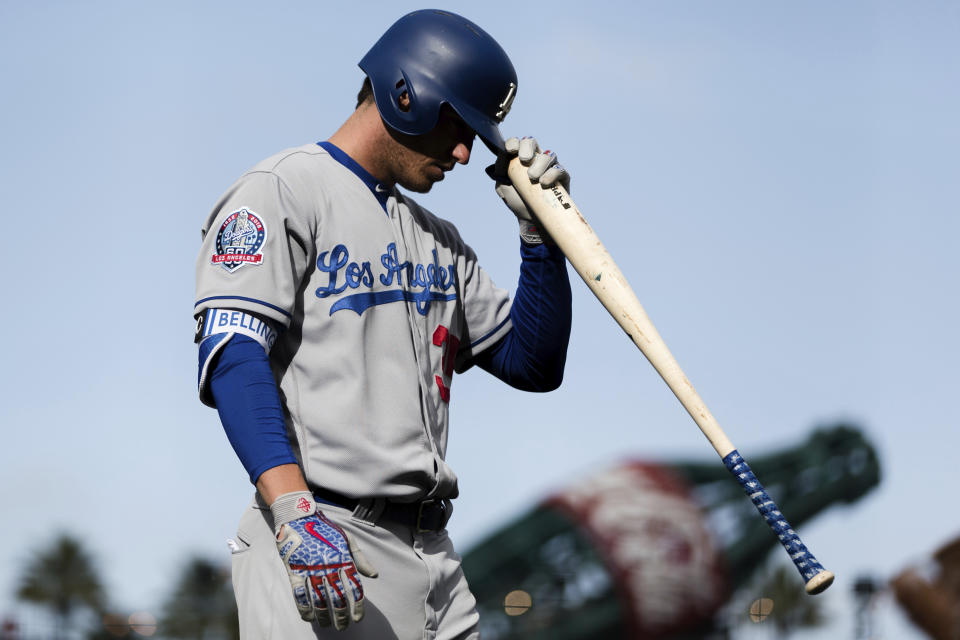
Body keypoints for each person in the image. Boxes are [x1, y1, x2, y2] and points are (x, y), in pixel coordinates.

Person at [194, 9, 572, 639]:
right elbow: (234, 356)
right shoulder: (283, 189)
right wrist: (292, 512)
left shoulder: (438, 239)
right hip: (326, 537)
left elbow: (533, 364)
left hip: (435, 557)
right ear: (406, 92)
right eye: (458, 125)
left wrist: (541, 235)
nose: (463, 152)